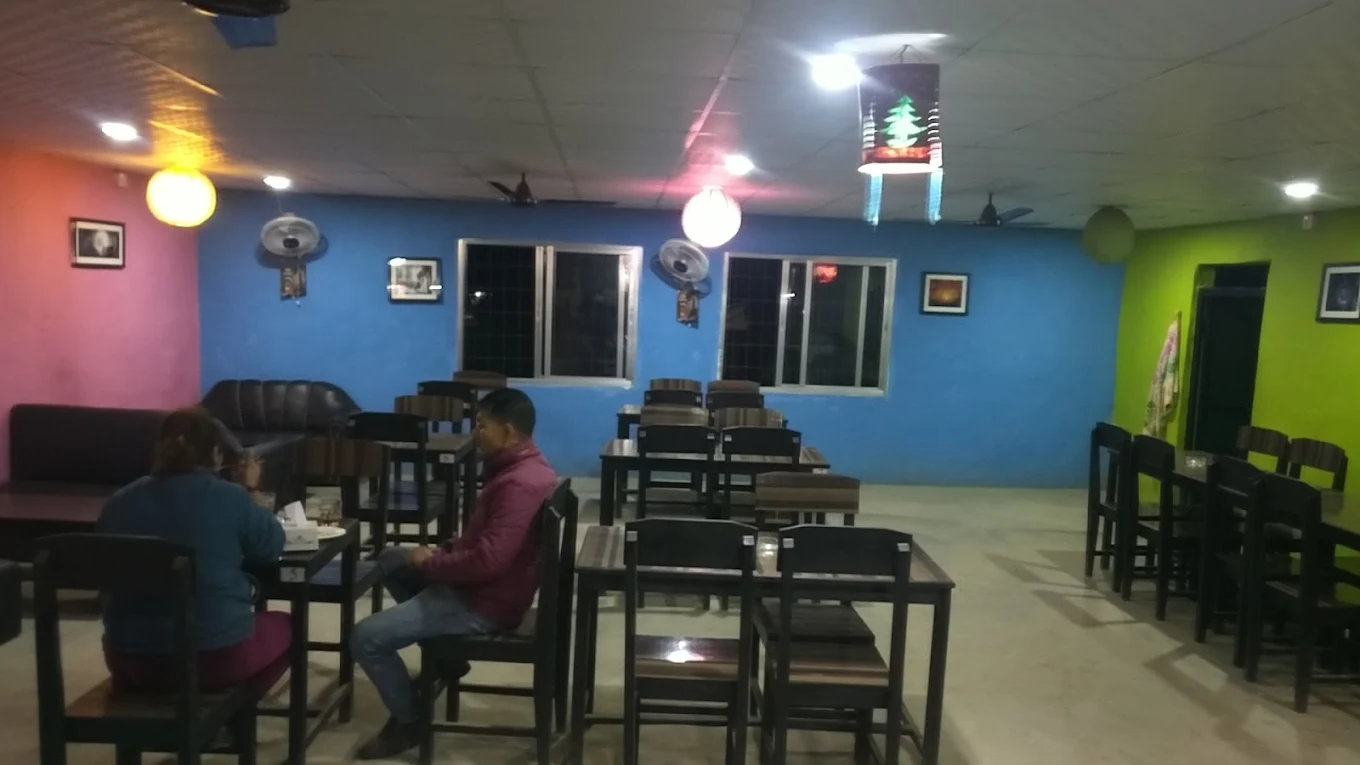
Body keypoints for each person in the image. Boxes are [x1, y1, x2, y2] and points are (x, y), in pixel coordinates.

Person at [352, 388, 557, 759]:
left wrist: (431, 564)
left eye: (482, 425)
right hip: (484, 587)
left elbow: (488, 561)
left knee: (366, 637)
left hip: (482, 603)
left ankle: (410, 721)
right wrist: (445, 550)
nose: (476, 433)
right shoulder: (524, 467)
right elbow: (483, 542)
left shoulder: (519, 484)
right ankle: (448, 659)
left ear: (508, 432)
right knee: (392, 558)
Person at [98, 407, 290, 698]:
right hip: (212, 657)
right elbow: (271, 546)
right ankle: (234, 711)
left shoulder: (117, 502)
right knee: (289, 628)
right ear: (216, 454)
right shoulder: (230, 496)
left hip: (127, 659)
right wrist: (250, 488)